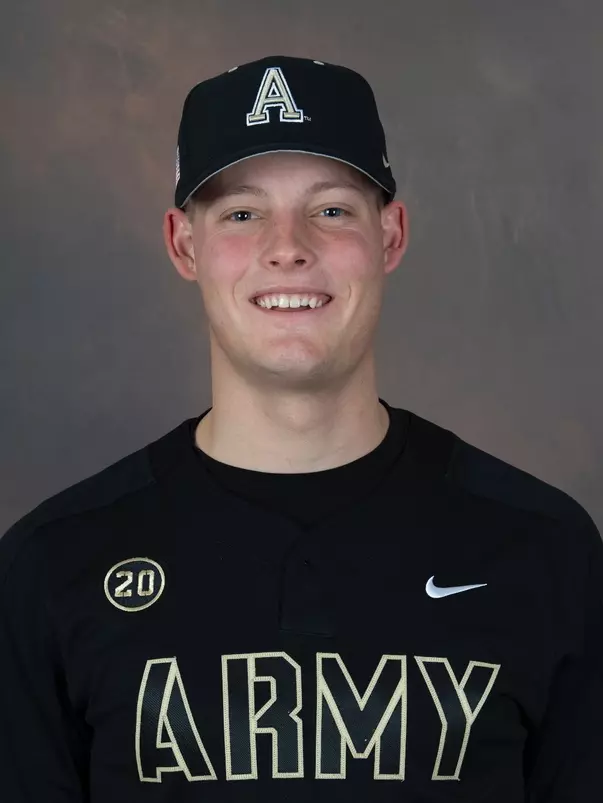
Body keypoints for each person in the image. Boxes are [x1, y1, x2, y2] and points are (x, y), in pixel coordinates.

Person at [0, 55, 601, 803]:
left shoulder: (541, 547)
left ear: (391, 236)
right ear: (184, 245)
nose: (288, 245)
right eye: (242, 213)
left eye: (331, 209)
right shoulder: (52, 565)